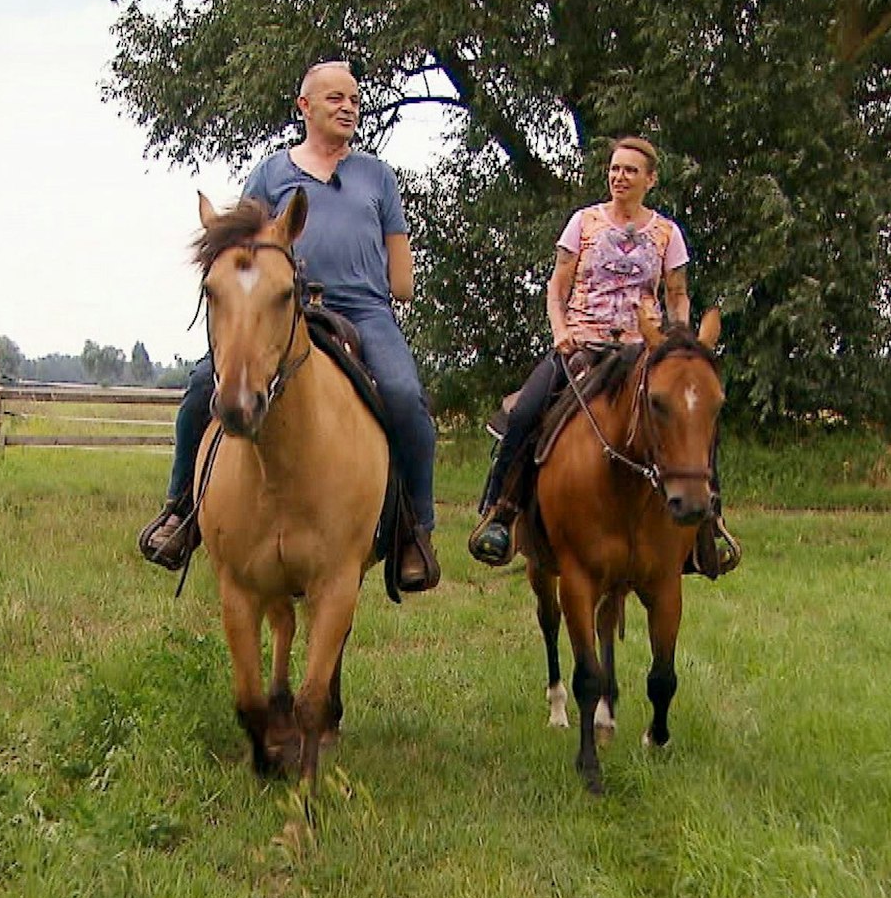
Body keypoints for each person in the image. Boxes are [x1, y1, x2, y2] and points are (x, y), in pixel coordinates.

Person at [139, 61, 441, 591]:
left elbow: (403, 279)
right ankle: (181, 512)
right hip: (287, 305)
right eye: (334, 99)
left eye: (353, 98)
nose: (348, 107)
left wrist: (388, 278)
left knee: (403, 394)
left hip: (367, 309)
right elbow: (246, 251)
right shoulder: (271, 173)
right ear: (304, 107)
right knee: (198, 390)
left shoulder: (377, 176)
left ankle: (414, 531)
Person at [468, 136, 734, 574]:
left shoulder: (667, 233)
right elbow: (557, 287)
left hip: (639, 351)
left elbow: (678, 295)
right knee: (526, 412)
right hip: (581, 344)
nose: (619, 177)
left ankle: (710, 526)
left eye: (630, 170)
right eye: (614, 169)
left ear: (650, 179)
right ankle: (501, 512)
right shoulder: (583, 223)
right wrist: (560, 331)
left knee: (692, 420)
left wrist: (675, 344)